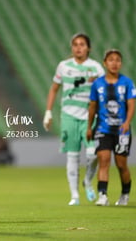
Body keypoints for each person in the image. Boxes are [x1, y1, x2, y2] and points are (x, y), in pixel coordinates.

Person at [43, 33, 105, 205]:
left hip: (90, 116)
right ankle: (75, 196)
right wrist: (48, 112)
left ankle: (87, 181)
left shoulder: (96, 68)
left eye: (82, 44)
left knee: (93, 155)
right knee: (72, 155)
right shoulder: (64, 66)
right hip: (69, 115)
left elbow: (104, 91)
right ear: (72, 47)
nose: (78, 47)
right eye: (75, 44)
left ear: (88, 48)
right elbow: (54, 88)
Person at [86, 49, 136, 206]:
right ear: (105, 63)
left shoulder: (127, 83)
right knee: (104, 160)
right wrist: (89, 127)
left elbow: (131, 105)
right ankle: (103, 195)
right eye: (111, 60)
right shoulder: (98, 84)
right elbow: (92, 107)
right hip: (103, 129)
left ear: (121, 63)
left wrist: (127, 121)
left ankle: (125, 194)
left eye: (117, 60)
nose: (114, 63)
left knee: (121, 165)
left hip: (122, 130)